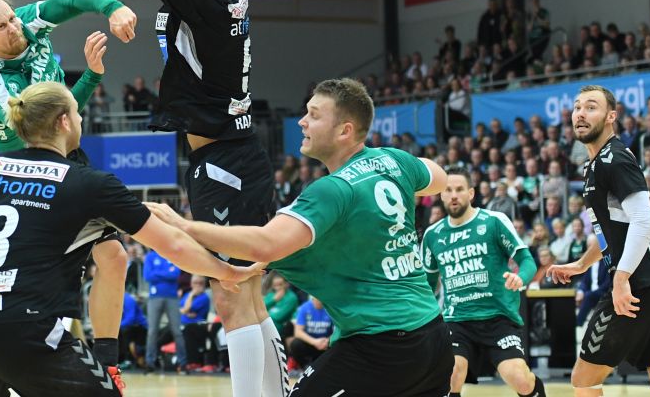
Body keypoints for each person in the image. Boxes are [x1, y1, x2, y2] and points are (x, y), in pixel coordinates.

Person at [50, 0, 283, 394]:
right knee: (244, 292)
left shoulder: (205, 2)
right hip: (225, 154)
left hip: (228, 159)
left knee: (232, 292)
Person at [0, 81, 260, 396]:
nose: (80, 120)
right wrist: (226, 271)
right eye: (78, 114)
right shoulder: (88, 183)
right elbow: (172, 245)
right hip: (26, 329)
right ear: (64, 121)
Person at [146, 77, 453, 396]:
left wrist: (184, 225)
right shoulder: (394, 160)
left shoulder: (332, 191)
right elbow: (439, 179)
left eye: (314, 115)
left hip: (380, 346)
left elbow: (266, 243)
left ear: (345, 131)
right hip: (434, 339)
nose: (302, 122)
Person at [0, 0, 138, 373]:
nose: (15, 28)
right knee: (37, 281)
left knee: (114, 257)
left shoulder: (28, 21)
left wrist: (113, 8)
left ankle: (108, 366)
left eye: (12, 18)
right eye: (3, 27)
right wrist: (91, 76)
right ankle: (12, 361)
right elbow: (51, 126)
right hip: (22, 173)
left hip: (63, 155)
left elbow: (77, 0)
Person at [547, 85, 650, 397]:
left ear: (611, 116)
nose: (581, 113)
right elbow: (614, 229)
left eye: (591, 107)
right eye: (577, 107)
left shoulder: (614, 158)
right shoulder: (597, 163)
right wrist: (582, 264)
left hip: (640, 283)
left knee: (584, 379)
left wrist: (621, 279)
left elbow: (645, 220)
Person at [419, 167, 545, 397]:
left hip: (498, 318)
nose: (454, 195)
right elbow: (427, 285)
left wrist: (520, 277)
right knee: (451, 374)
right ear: (441, 195)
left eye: (459, 189)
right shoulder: (432, 234)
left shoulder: (493, 221)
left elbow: (527, 260)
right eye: (448, 190)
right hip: (457, 321)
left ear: (471, 193)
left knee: (520, 379)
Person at [143, 248, 187, 371]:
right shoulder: (150, 256)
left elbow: (176, 274)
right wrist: (167, 272)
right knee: (152, 331)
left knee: (177, 331)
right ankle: (150, 363)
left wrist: (156, 273)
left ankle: (182, 363)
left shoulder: (171, 253)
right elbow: (147, 276)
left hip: (172, 297)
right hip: (154, 297)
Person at [288, 296, 334, 370]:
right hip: (310, 342)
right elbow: (298, 332)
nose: (318, 301)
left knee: (338, 343)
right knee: (295, 344)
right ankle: (303, 366)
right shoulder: (305, 307)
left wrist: (328, 340)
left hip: (325, 342)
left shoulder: (331, 308)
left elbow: (337, 330)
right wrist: (315, 342)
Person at [180, 274, 212, 370]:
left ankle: (193, 362)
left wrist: (191, 295)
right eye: (195, 283)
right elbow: (180, 310)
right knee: (166, 331)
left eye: (200, 283)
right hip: (182, 323)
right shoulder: (186, 295)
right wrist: (185, 310)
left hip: (198, 324)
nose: (198, 285)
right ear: (191, 284)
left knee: (188, 329)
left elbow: (185, 309)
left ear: (204, 284)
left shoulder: (204, 297)